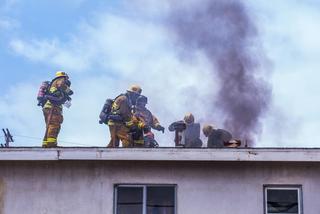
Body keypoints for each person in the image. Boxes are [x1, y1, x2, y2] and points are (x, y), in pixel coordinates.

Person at [42, 71, 73, 148]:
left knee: (49, 126)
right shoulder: (60, 80)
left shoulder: (52, 84)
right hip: (53, 107)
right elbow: (61, 85)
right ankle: (51, 144)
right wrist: (69, 91)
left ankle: (45, 143)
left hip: (48, 107)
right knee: (54, 125)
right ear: (64, 76)